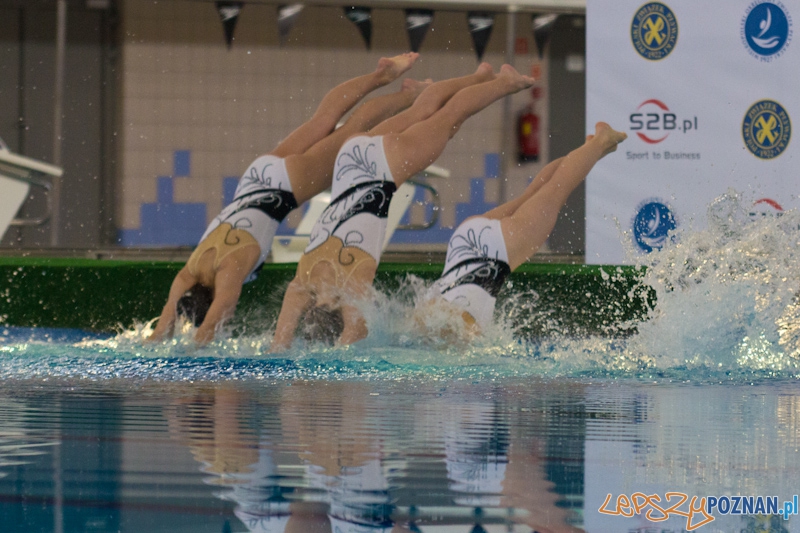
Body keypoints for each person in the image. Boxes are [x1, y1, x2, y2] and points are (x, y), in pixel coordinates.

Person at [147, 53, 424, 345]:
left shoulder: (228, 274)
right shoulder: (186, 274)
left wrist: (191, 350)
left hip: (282, 190)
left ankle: (409, 96)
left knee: (355, 131)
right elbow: (163, 327)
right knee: (324, 120)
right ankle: (379, 76)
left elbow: (212, 326)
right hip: (257, 175)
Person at [270, 64, 536, 352]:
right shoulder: (300, 284)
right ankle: (478, 77)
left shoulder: (351, 288)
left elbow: (352, 341)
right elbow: (278, 345)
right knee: (422, 112)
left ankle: (504, 83)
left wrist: (338, 349)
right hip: (349, 159)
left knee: (449, 117)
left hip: (382, 165)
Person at [418, 122, 627, 338]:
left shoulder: (455, 335)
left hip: (496, 251)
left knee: (557, 189)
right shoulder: (431, 315)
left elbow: (466, 331)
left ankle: (601, 141)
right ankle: (589, 150)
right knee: (537, 193)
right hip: (464, 240)